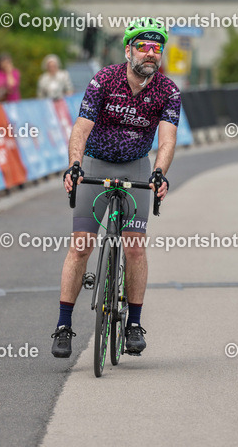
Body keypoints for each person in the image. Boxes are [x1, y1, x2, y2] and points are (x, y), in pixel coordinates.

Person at [51, 18, 180, 359]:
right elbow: (81, 128)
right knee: (81, 246)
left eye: (156, 48)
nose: (150, 53)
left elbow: (167, 139)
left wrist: (159, 173)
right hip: (96, 163)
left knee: (135, 247)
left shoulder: (167, 90)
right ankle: (63, 326)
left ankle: (133, 324)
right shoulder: (104, 80)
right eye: (143, 46)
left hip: (136, 166)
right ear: (128, 50)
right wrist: (75, 164)